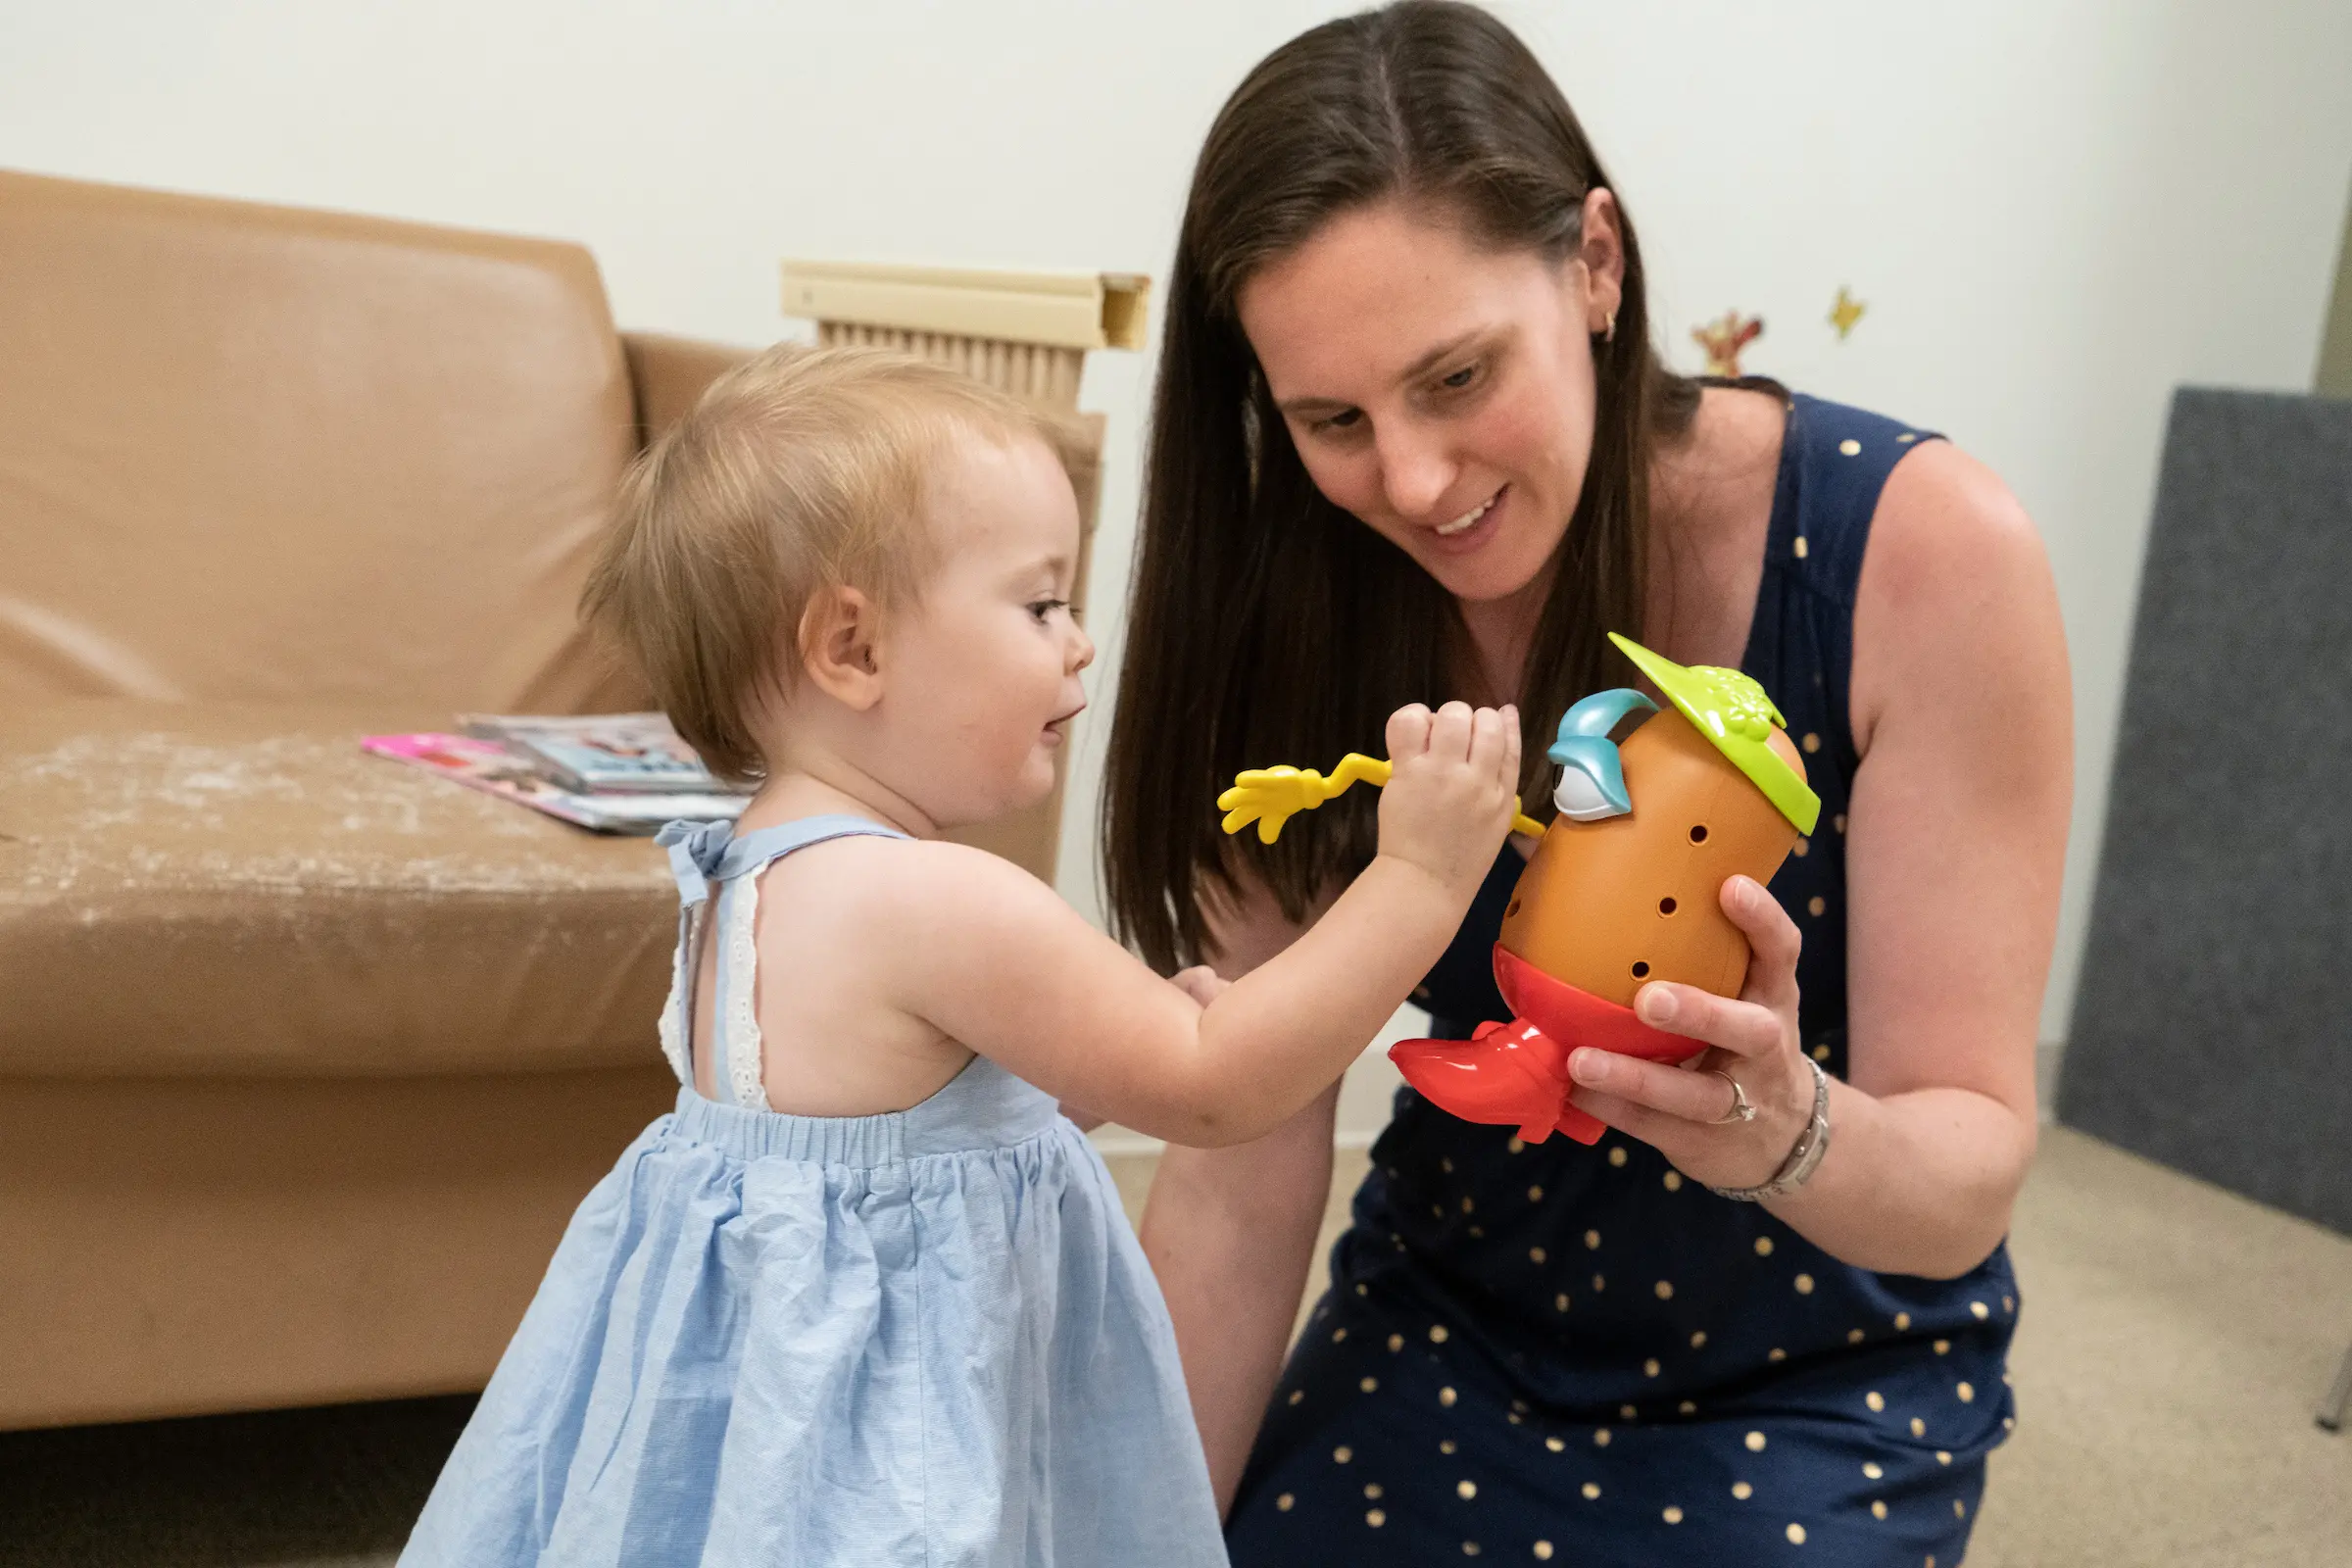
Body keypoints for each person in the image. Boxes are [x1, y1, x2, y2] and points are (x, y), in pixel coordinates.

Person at [1103, 5, 2073, 1563]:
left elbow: (1962, 1179)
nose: (1415, 483)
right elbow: (1236, 1190)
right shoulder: (1295, 602)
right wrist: (1137, 1540)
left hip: (1822, 1359)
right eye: (1334, 421)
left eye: (1460, 375)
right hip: (1454, 1311)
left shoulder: (1922, 551)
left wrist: (1788, 1130)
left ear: (1596, 267)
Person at [398, 344, 1526, 1566]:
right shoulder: (938, 900)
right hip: (897, 1447)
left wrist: (1065, 1086)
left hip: (780, 1441)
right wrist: (1418, 877)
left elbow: (880, 1142)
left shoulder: (746, 869)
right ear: (855, 647)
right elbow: (1216, 1081)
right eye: (1041, 604)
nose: (1080, 643)